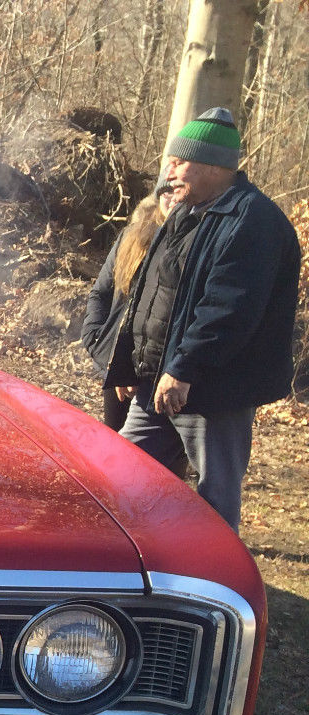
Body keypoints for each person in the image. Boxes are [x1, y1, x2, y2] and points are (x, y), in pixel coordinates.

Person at [106, 107, 301, 531]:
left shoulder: (253, 222)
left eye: (179, 161)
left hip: (214, 392)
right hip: (156, 382)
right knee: (115, 479)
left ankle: (216, 589)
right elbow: (150, 295)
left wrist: (184, 368)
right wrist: (129, 363)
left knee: (215, 499)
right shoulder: (184, 213)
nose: (169, 169)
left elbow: (228, 308)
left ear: (213, 165)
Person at [82, 180, 176, 430]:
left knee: (162, 464)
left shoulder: (192, 243)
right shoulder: (131, 236)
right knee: (117, 453)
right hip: (119, 371)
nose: (173, 196)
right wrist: (100, 344)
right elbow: (101, 294)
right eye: (166, 190)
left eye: (179, 190)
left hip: (163, 377)